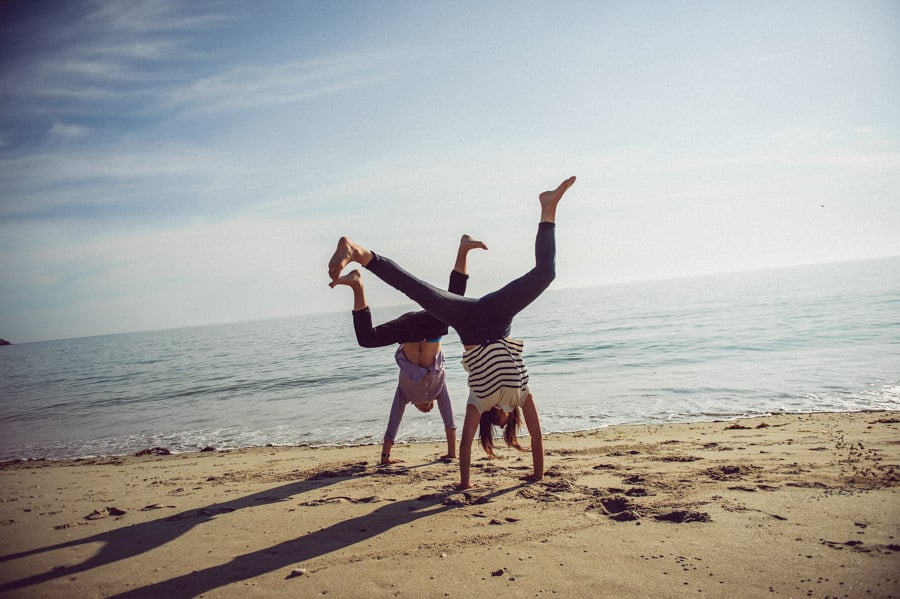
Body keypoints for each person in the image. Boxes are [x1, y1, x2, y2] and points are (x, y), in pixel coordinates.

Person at [328, 176, 576, 489]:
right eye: (504, 418)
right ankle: (548, 207)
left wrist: (464, 484)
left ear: (490, 420)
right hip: (499, 319)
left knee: (420, 291)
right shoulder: (521, 396)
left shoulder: (478, 402)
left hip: (470, 325)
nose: (500, 414)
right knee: (546, 273)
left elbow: (464, 444)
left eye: (495, 419)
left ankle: (359, 253)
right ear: (511, 418)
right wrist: (539, 474)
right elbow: (538, 435)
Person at [330, 235, 488, 465]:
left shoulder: (405, 394)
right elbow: (450, 421)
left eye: (422, 408)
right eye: (428, 407)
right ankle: (463, 249)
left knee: (366, 339)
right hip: (433, 328)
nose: (425, 405)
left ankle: (357, 284)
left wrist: (385, 457)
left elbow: (394, 420)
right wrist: (452, 453)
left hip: (406, 331)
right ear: (431, 402)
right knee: (455, 302)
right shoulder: (439, 388)